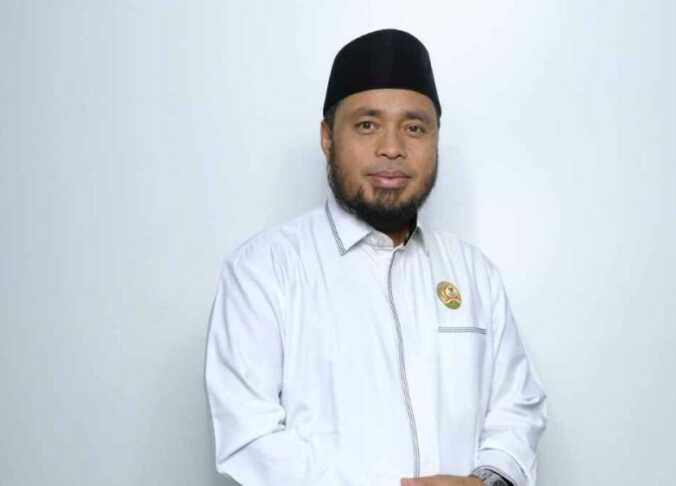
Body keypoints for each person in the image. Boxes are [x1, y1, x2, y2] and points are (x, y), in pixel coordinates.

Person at [204, 28, 547, 486]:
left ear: (436, 139)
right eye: (367, 124)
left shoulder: (473, 273)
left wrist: (488, 480)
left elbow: (517, 408)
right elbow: (250, 439)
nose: (392, 147)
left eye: (414, 127)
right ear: (327, 137)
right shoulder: (263, 271)